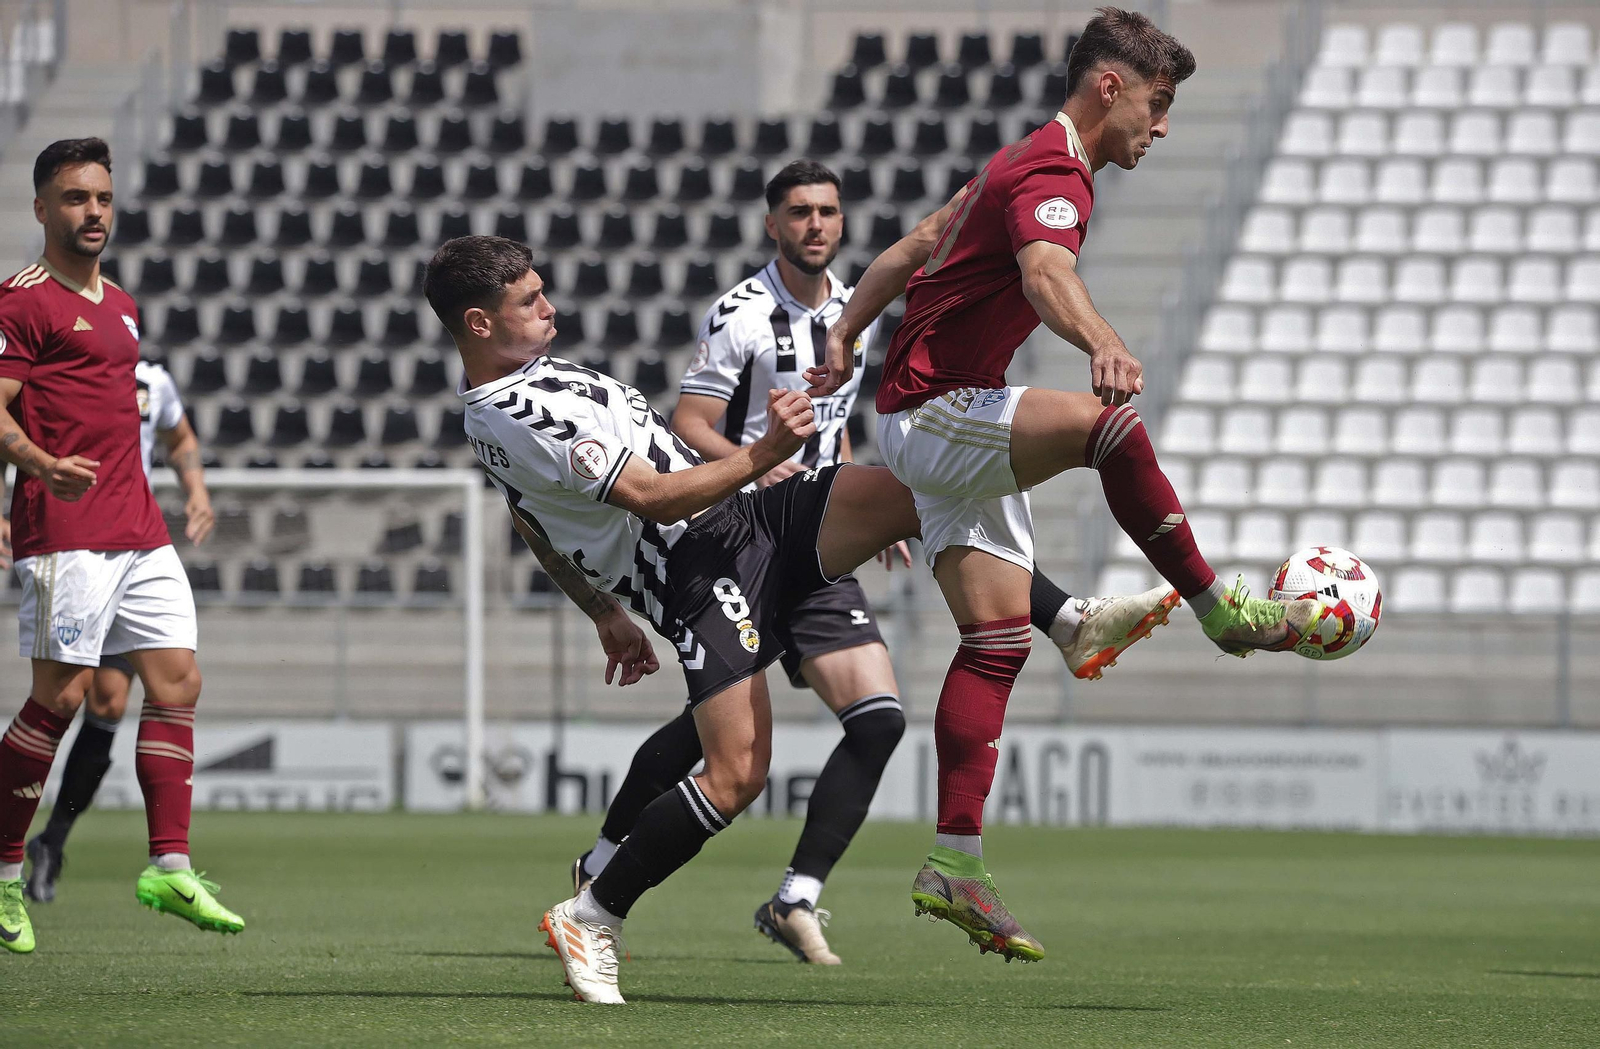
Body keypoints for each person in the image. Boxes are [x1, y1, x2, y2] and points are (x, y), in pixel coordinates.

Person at [807, 8, 1326, 962]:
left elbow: (919, 241)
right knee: (1109, 427)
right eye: (1158, 105)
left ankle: (954, 861)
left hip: (926, 409)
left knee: (996, 640)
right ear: (1110, 88)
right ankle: (1220, 609)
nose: (1161, 128)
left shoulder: (1012, 165)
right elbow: (1047, 272)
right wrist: (1105, 341)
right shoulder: (1052, 172)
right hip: (935, 409)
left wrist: (844, 334)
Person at [569, 160, 1178, 964]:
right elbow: (689, 421)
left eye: (827, 210)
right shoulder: (742, 315)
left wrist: (855, 495)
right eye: (798, 211)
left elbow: (836, 430)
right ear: (771, 224)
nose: (815, 224)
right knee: (710, 739)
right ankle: (603, 867)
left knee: (878, 715)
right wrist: (762, 460)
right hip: (744, 529)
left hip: (820, 527)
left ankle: (796, 896)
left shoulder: (849, 317)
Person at [426, 234, 934, 1003]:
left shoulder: (527, 381)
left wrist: (599, 609)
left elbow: (530, 517)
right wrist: (764, 452)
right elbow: (652, 499)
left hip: (746, 521)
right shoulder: (519, 410)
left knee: (925, 490)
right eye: (529, 300)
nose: (549, 306)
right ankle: (593, 910)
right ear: (479, 322)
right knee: (734, 775)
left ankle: (1065, 619)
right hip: (695, 568)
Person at [0, 138, 242, 955]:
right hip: (65, 528)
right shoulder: (21, 301)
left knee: (178, 680)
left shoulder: (125, 305)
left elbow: (167, 432)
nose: (92, 211)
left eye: (101, 197)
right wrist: (36, 463)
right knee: (60, 701)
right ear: (42, 208)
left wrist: (190, 490)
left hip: (140, 527)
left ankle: (167, 863)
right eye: (74, 198)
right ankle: (3, 873)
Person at [18, 357, 215, 903]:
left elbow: (180, 438)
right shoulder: (59, 376)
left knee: (108, 699)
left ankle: (54, 842)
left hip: (131, 549)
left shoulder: (153, 382)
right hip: (76, 546)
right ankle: (31, 844)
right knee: (70, 696)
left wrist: (195, 489)